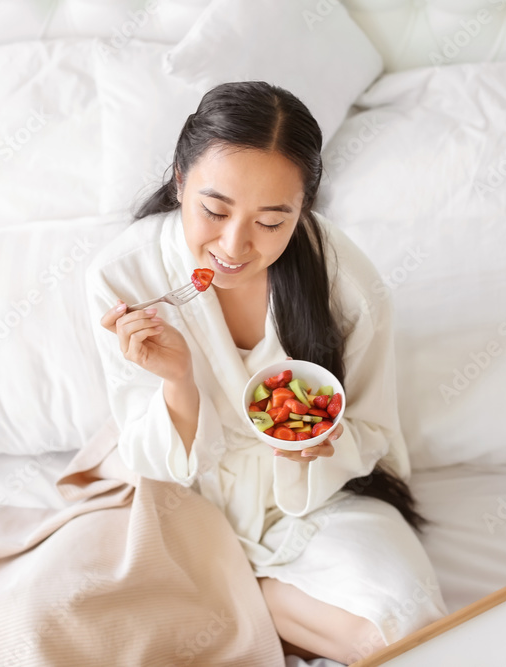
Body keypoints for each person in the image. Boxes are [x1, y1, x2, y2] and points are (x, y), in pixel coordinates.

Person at [87, 80, 446, 664]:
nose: (234, 245)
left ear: (305, 208)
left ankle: (240, 597)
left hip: (318, 501)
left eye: (272, 222)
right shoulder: (122, 276)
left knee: (406, 636)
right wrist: (178, 381)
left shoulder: (351, 289)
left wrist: (318, 446)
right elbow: (147, 453)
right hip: (187, 502)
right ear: (179, 179)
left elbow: (373, 430)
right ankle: (227, 591)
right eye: (214, 209)